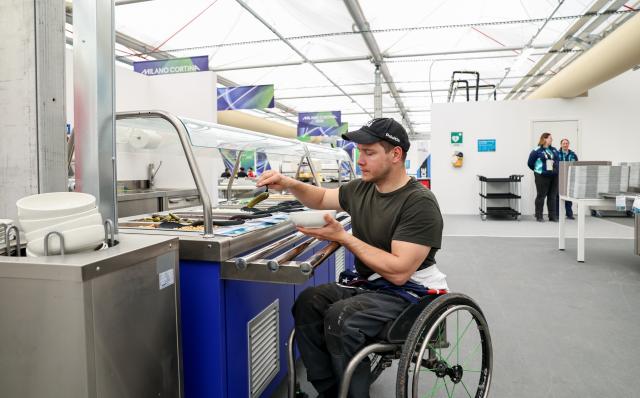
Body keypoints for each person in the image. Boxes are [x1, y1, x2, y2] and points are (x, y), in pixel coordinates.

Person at [257, 118, 446, 398]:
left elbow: (399, 272)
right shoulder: (362, 189)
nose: (360, 160)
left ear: (396, 155)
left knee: (342, 318)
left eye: (369, 153)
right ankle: (332, 391)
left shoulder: (419, 203)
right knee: (308, 303)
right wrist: (288, 183)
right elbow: (321, 199)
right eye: (359, 151)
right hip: (371, 284)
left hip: (411, 292)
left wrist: (344, 238)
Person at [528, 132, 560, 222]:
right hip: (542, 176)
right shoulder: (536, 150)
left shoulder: (554, 150)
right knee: (541, 196)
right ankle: (539, 216)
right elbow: (530, 163)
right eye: (550, 138)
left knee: (552, 196)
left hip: (554, 176)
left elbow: (557, 160)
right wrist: (539, 171)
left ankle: (552, 216)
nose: (552, 139)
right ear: (544, 139)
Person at [557, 138, 578, 219]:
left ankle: (569, 214)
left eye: (566, 143)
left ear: (568, 145)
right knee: (558, 196)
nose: (565, 145)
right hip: (559, 177)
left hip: (570, 177)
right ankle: (558, 214)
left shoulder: (573, 155)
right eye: (563, 143)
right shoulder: (556, 154)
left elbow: (576, 165)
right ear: (561, 144)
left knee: (569, 196)